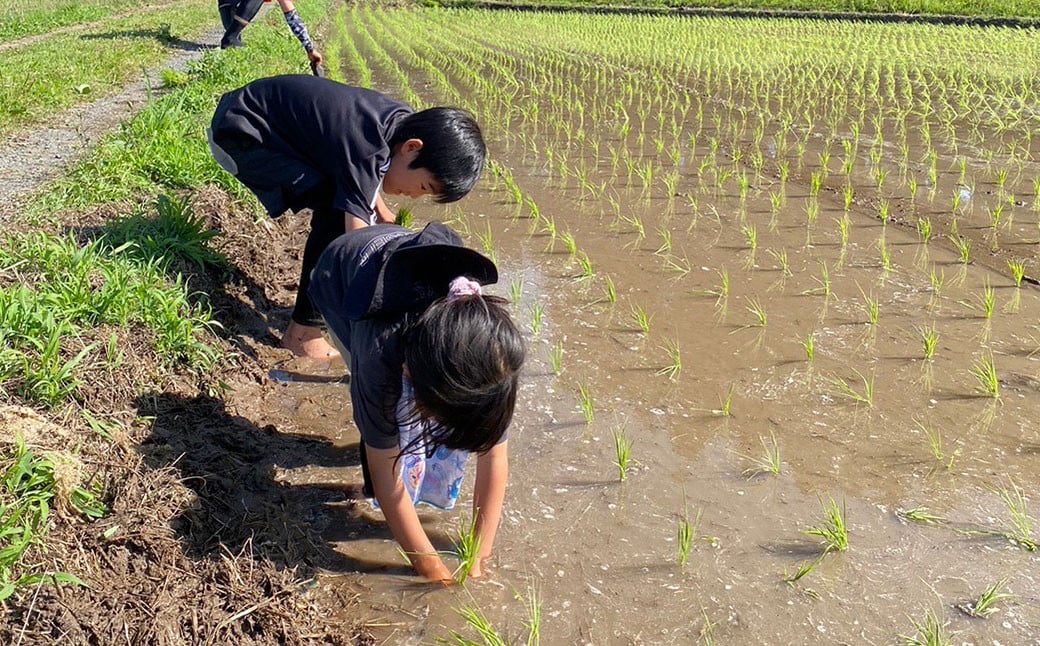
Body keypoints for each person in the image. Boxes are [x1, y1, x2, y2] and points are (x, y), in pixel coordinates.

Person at [208, 75, 486, 357]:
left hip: (248, 114)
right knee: (334, 212)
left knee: (343, 199)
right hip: (239, 135)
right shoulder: (368, 148)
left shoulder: (397, 124)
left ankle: (308, 318)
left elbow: (359, 166)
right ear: (412, 148)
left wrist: (380, 209)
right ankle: (303, 334)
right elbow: (356, 245)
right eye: (424, 187)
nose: (415, 196)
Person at [308, 222, 525, 583]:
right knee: (379, 422)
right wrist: (432, 569)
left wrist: (478, 558)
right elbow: (388, 477)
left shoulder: (492, 358)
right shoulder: (380, 355)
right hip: (340, 277)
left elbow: (494, 457)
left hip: (407, 263)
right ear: (412, 377)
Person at [218, 0, 323, 71]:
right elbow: (292, 16)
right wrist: (310, 48)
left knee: (236, 41)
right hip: (228, 5)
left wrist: (310, 48)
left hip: (226, 6)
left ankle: (232, 36)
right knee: (232, 39)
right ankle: (231, 37)